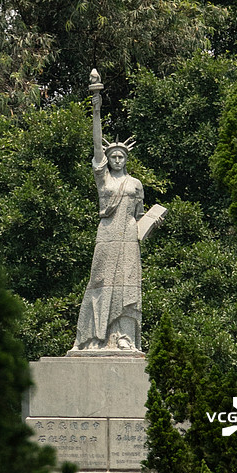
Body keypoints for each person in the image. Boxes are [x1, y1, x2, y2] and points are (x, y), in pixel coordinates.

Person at [71, 71, 144, 352]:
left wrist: (151, 223)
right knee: (100, 283)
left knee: (127, 286)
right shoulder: (104, 179)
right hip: (107, 235)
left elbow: (139, 216)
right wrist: (96, 108)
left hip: (128, 239)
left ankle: (123, 337)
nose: (115, 159)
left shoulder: (135, 184)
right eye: (112, 155)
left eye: (120, 156)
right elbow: (96, 144)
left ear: (126, 158)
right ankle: (93, 337)